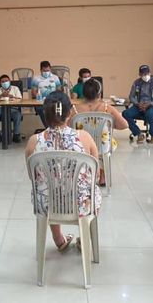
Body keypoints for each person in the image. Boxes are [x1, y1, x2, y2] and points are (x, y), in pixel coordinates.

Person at [25, 91, 101, 251]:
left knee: (48, 187)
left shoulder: (34, 141)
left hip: (47, 206)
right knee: (93, 191)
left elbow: (32, 177)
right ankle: (84, 237)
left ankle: (58, 238)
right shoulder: (85, 137)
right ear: (70, 112)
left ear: (45, 114)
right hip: (81, 205)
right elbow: (96, 175)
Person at [70, 79, 128, 186]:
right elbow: (124, 125)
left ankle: (85, 175)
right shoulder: (108, 108)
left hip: (82, 145)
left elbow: (68, 127)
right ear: (99, 94)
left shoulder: (75, 110)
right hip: (102, 145)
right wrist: (110, 125)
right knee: (109, 143)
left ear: (83, 94)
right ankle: (102, 176)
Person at [122, 65, 153, 144]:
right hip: (139, 105)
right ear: (139, 74)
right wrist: (137, 103)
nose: (145, 76)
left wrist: (150, 104)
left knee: (150, 113)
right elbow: (131, 96)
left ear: (150, 73)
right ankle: (139, 133)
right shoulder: (136, 83)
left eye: (147, 74)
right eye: (143, 74)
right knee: (126, 113)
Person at [31, 61, 61, 127]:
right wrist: (39, 97)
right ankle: (48, 128)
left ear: (50, 69)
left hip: (53, 101)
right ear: (40, 70)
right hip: (41, 102)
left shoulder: (55, 78)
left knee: (59, 110)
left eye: (47, 70)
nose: (46, 72)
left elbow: (59, 91)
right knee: (43, 110)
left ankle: (55, 127)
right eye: (44, 71)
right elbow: (33, 92)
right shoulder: (36, 78)